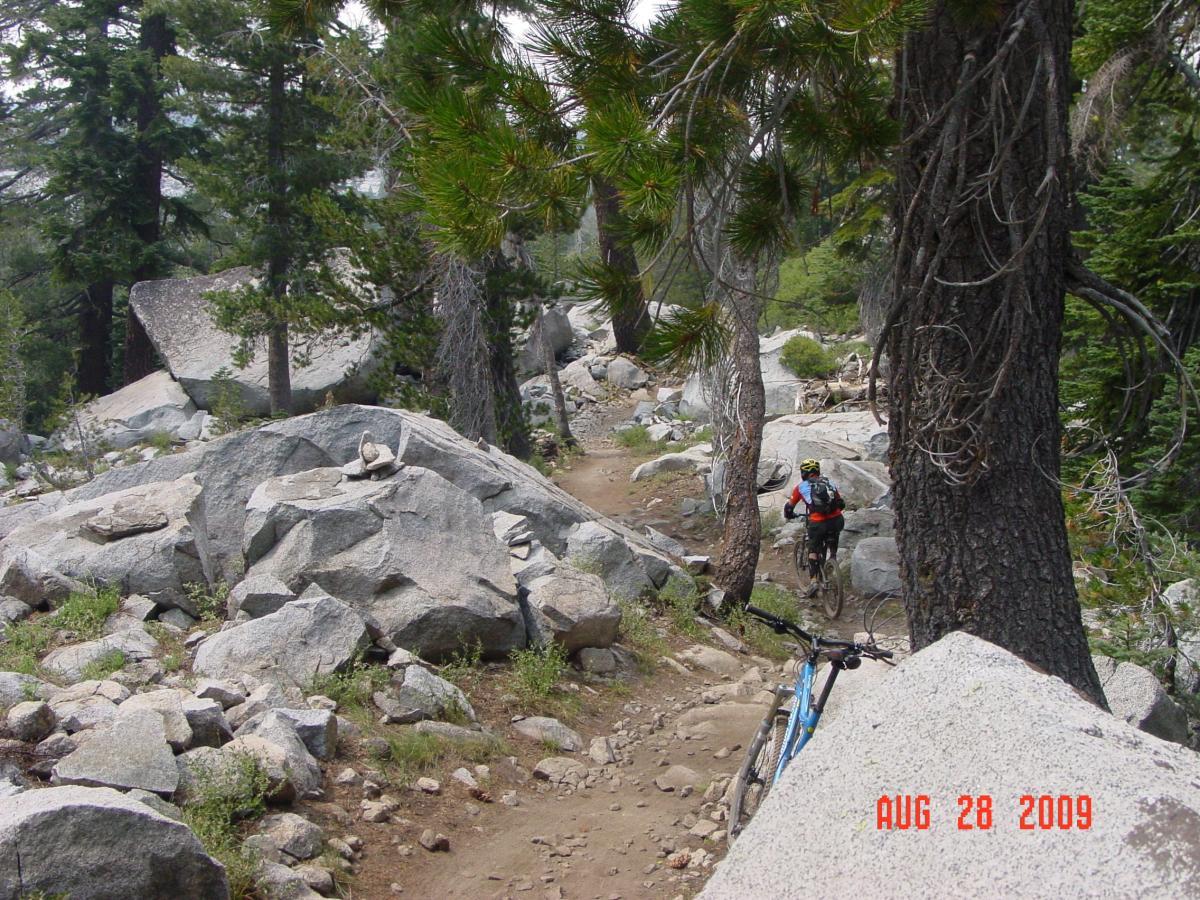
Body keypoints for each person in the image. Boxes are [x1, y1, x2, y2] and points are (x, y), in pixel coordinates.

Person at [783, 458, 846, 597]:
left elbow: (789, 507)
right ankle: (832, 563)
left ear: (803, 473)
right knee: (832, 541)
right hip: (837, 520)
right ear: (818, 471)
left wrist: (789, 515)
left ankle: (813, 582)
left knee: (813, 549)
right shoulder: (829, 482)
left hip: (818, 523)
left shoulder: (801, 487)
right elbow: (841, 503)